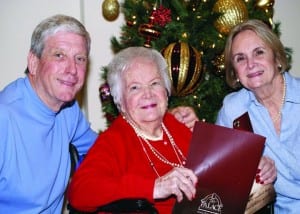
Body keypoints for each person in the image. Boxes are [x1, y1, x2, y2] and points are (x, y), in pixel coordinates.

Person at [67, 46, 198, 213]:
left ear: (166, 91)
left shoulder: (177, 125)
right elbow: (80, 192)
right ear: (119, 101)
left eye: (155, 83)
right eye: (135, 87)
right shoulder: (114, 141)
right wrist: (153, 188)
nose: (148, 94)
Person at [215, 19, 299, 213]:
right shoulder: (233, 110)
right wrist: (249, 169)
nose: (251, 64)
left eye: (259, 52)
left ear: (277, 58)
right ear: (235, 73)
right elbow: (219, 173)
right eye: (240, 58)